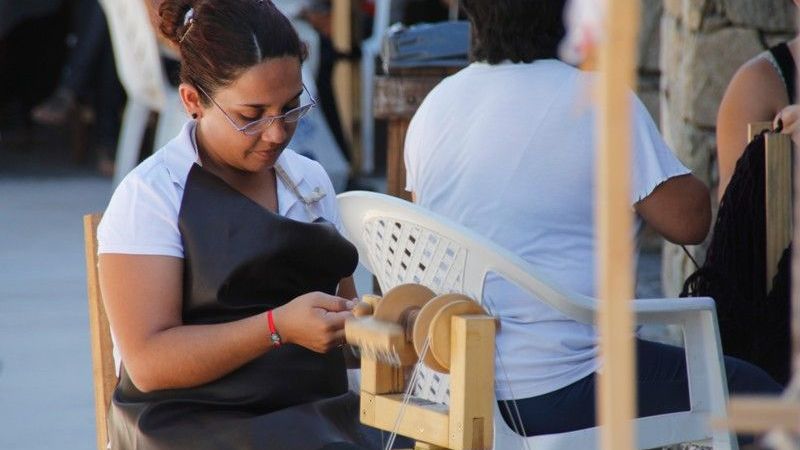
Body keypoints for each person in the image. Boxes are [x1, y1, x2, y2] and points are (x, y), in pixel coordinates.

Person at [403, 0, 783, 439]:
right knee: (764, 400)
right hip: (568, 385)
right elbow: (690, 221)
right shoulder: (597, 101)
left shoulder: (435, 106)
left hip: (450, 382)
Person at [96, 1, 380, 448]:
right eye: (251, 116)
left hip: (310, 413)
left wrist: (378, 324)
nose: (276, 133)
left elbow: (345, 329)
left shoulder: (308, 182)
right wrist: (277, 326)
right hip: (184, 422)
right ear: (193, 100)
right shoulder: (152, 195)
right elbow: (150, 364)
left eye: (290, 108)